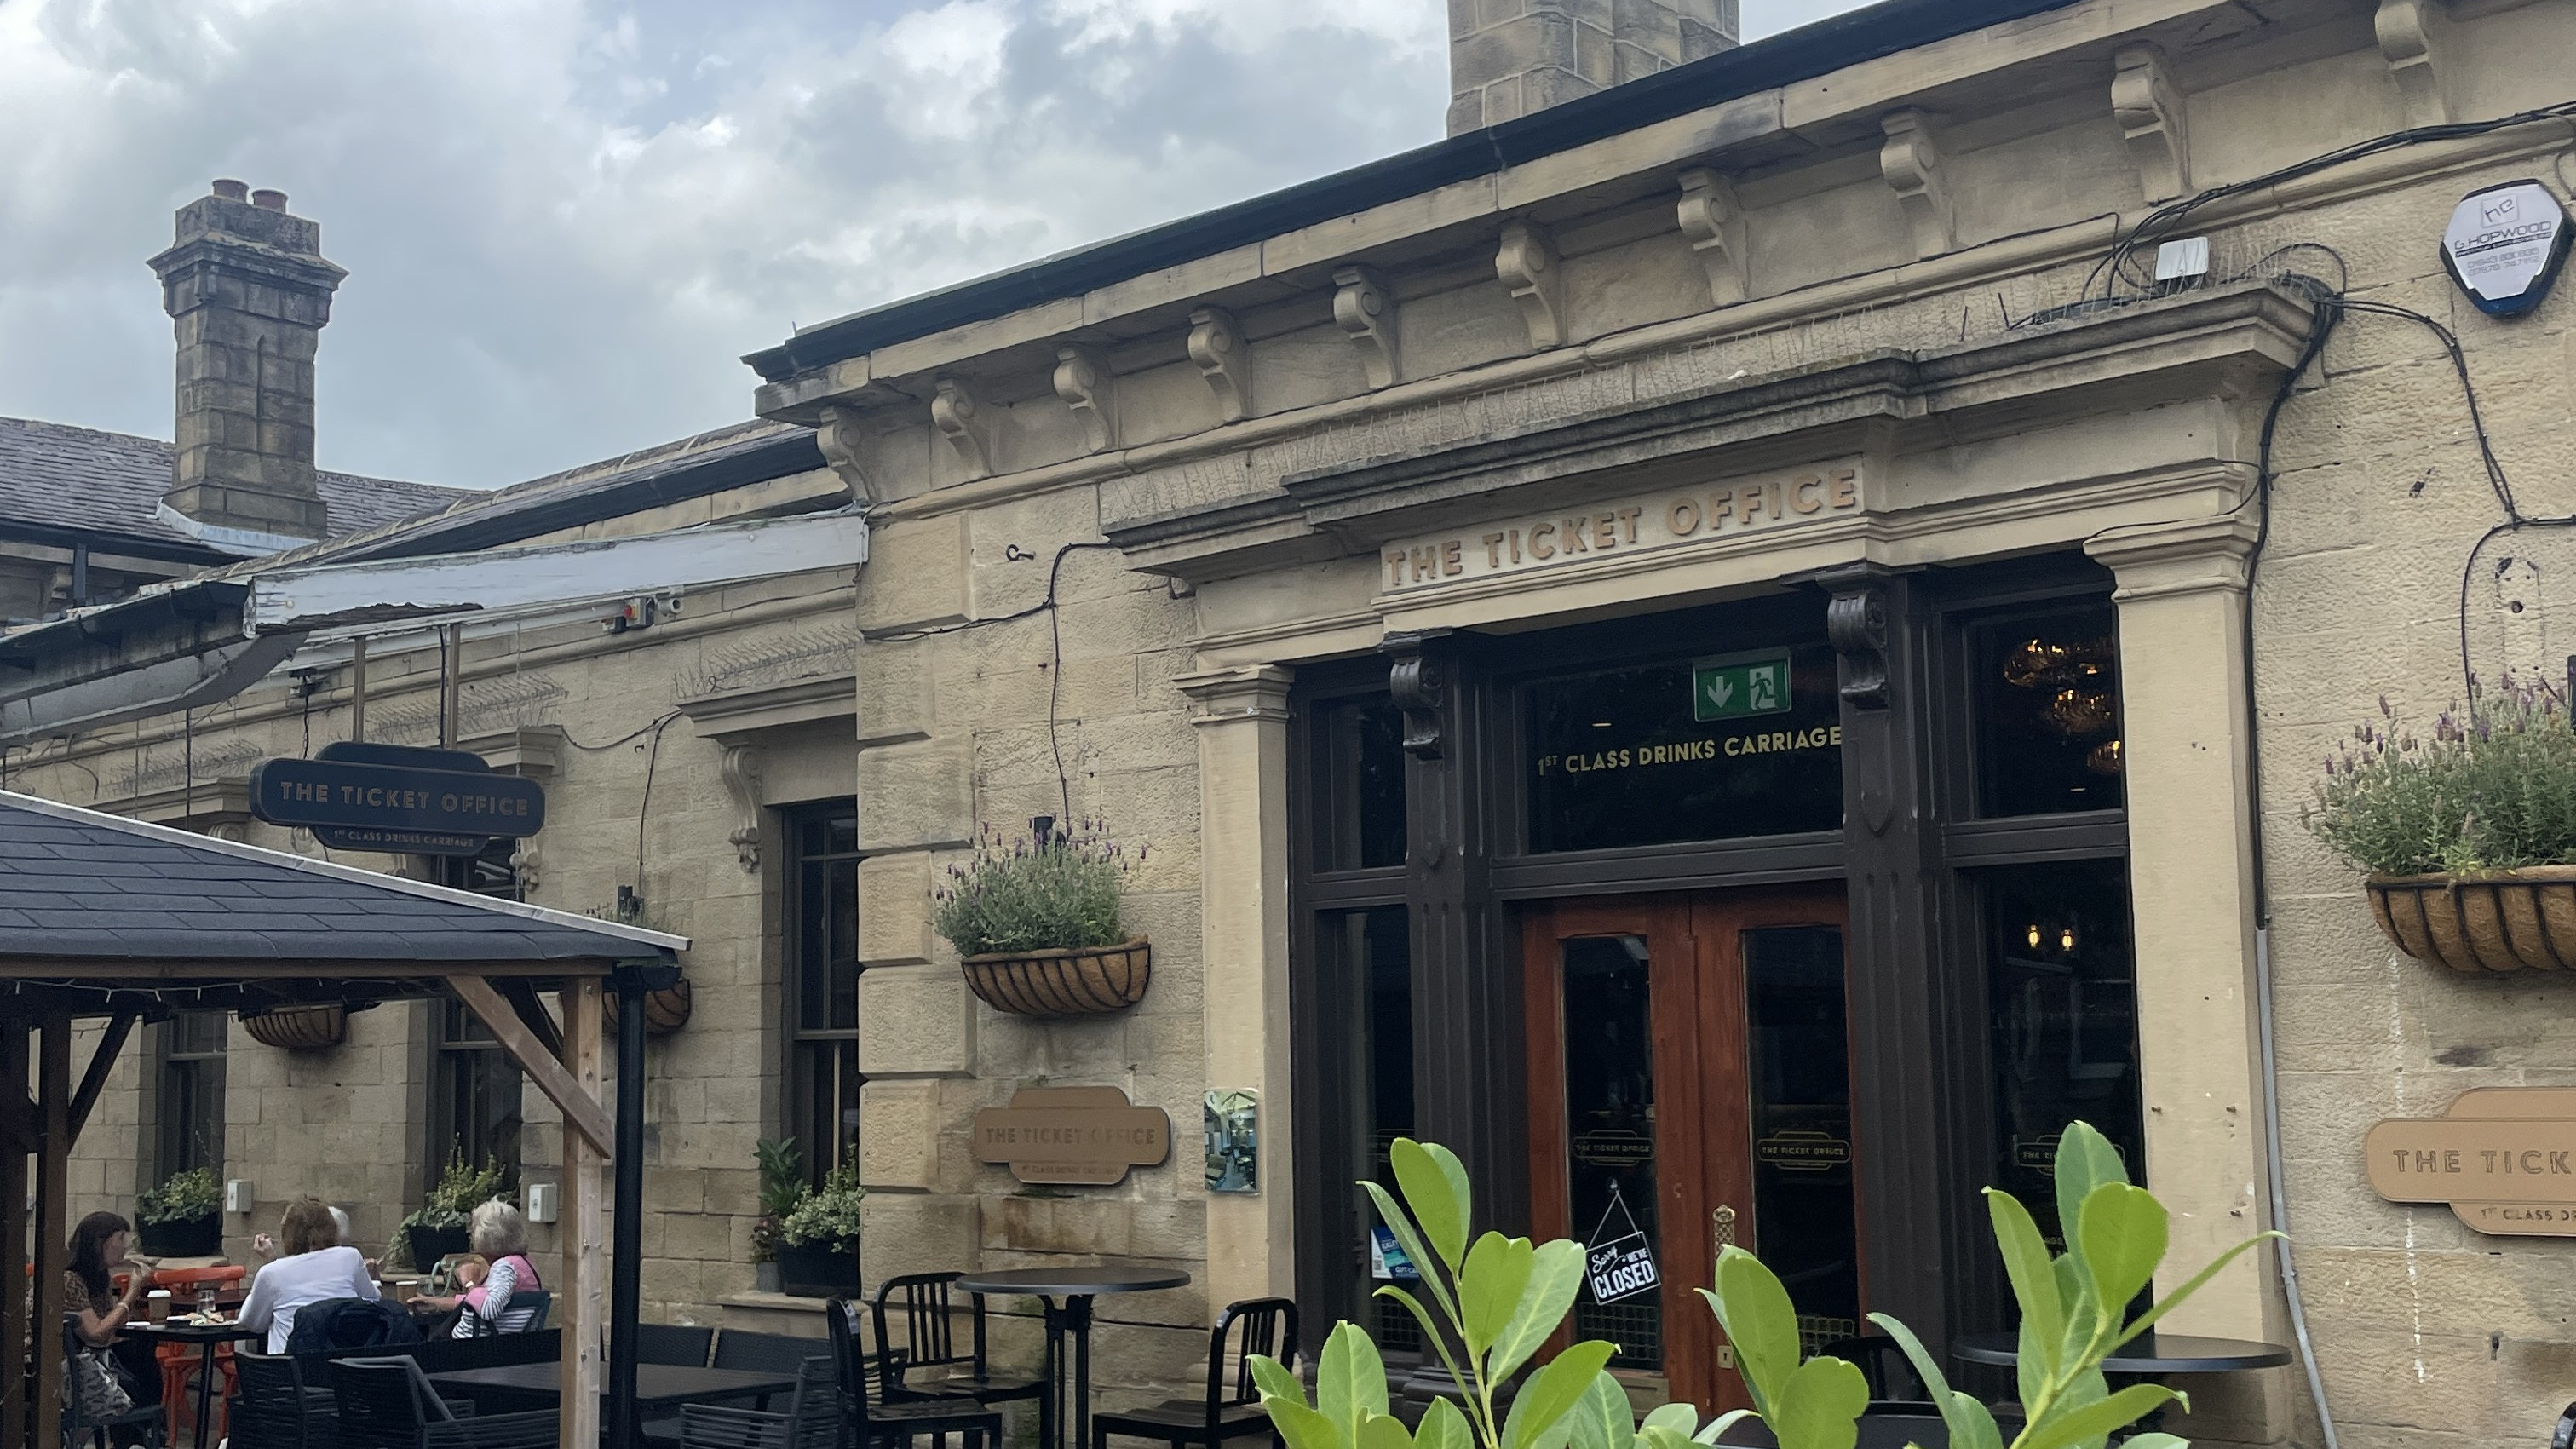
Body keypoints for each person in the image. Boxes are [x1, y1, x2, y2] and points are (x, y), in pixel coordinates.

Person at [238, 1196, 378, 1354]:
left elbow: (252, 1323)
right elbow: (372, 1300)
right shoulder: (351, 1257)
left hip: (291, 1370)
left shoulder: (271, 1272)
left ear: (287, 1234)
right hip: (343, 1365)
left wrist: (270, 1262)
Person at [64, 1210, 161, 1420]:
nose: (126, 1246)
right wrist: (132, 1291)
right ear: (101, 1243)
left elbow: (112, 1327)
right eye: (121, 1238)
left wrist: (132, 1297)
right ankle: (141, 1428)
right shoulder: (70, 1279)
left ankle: (141, 1430)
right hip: (62, 1366)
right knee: (135, 1358)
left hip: (88, 1359)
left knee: (142, 1346)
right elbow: (96, 1333)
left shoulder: (102, 1278)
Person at [407, 1199, 542, 1337]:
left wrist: (469, 1282)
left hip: (474, 1349)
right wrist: (435, 1303)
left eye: (473, 1231)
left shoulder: (505, 1267)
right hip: (504, 1346)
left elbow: (490, 1308)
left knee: (411, 1336)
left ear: (486, 1237)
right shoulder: (525, 1263)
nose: (471, 1237)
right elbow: (481, 1301)